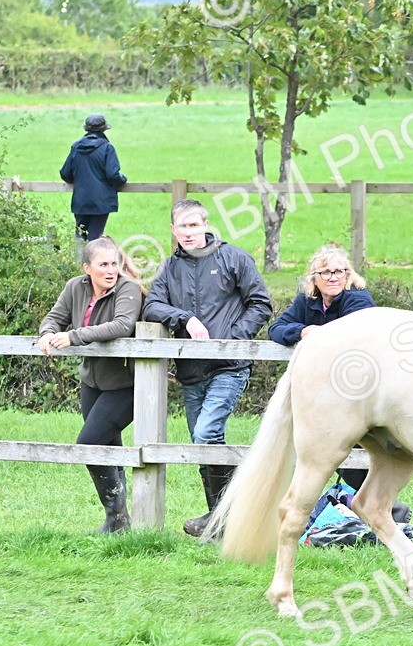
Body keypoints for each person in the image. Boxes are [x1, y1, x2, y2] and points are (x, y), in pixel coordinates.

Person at [143, 199, 272, 538]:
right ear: (173, 230)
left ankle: (227, 515)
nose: (189, 232)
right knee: (202, 445)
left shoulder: (234, 258)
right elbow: (152, 305)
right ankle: (222, 520)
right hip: (190, 371)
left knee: (206, 434)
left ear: (205, 225)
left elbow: (261, 303)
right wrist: (184, 318)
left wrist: (233, 337)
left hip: (229, 366)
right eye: (182, 226)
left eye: (194, 225)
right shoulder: (168, 269)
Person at [37, 236, 145, 533]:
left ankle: (115, 517)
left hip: (127, 383)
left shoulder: (128, 288)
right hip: (91, 382)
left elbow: (122, 325)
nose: (111, 270)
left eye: (115, 264)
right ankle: (119, 521)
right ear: (87, 268)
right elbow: (54, 318)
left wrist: (74, 336)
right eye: (103, 265)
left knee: (89, 443)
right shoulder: (75, 287)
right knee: (107, 445)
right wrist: (47, 333)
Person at [269, 244, 375, 491]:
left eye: (340, 271)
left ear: (348, 275)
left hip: (357, 387)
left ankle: (383, 507)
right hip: (326, 391)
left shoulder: (357, 299)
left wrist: (321, 335)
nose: (334, 277)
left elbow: (355, 335)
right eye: (326, 272)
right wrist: (302, 330)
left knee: (348, 447)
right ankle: (379, 507)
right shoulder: (308, 301)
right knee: (332, 448)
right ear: (314, 278)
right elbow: (276, 328)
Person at [59, 114, 127, 243]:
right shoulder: (107, 148)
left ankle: (78, 262)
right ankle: (91, 262)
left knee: (80, 236)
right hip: (101, 202)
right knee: (95, 238)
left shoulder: (76, 147)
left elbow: (65, 173)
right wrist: (122, 180)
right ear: (104, 129)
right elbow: (113, 175)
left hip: (80, 200)